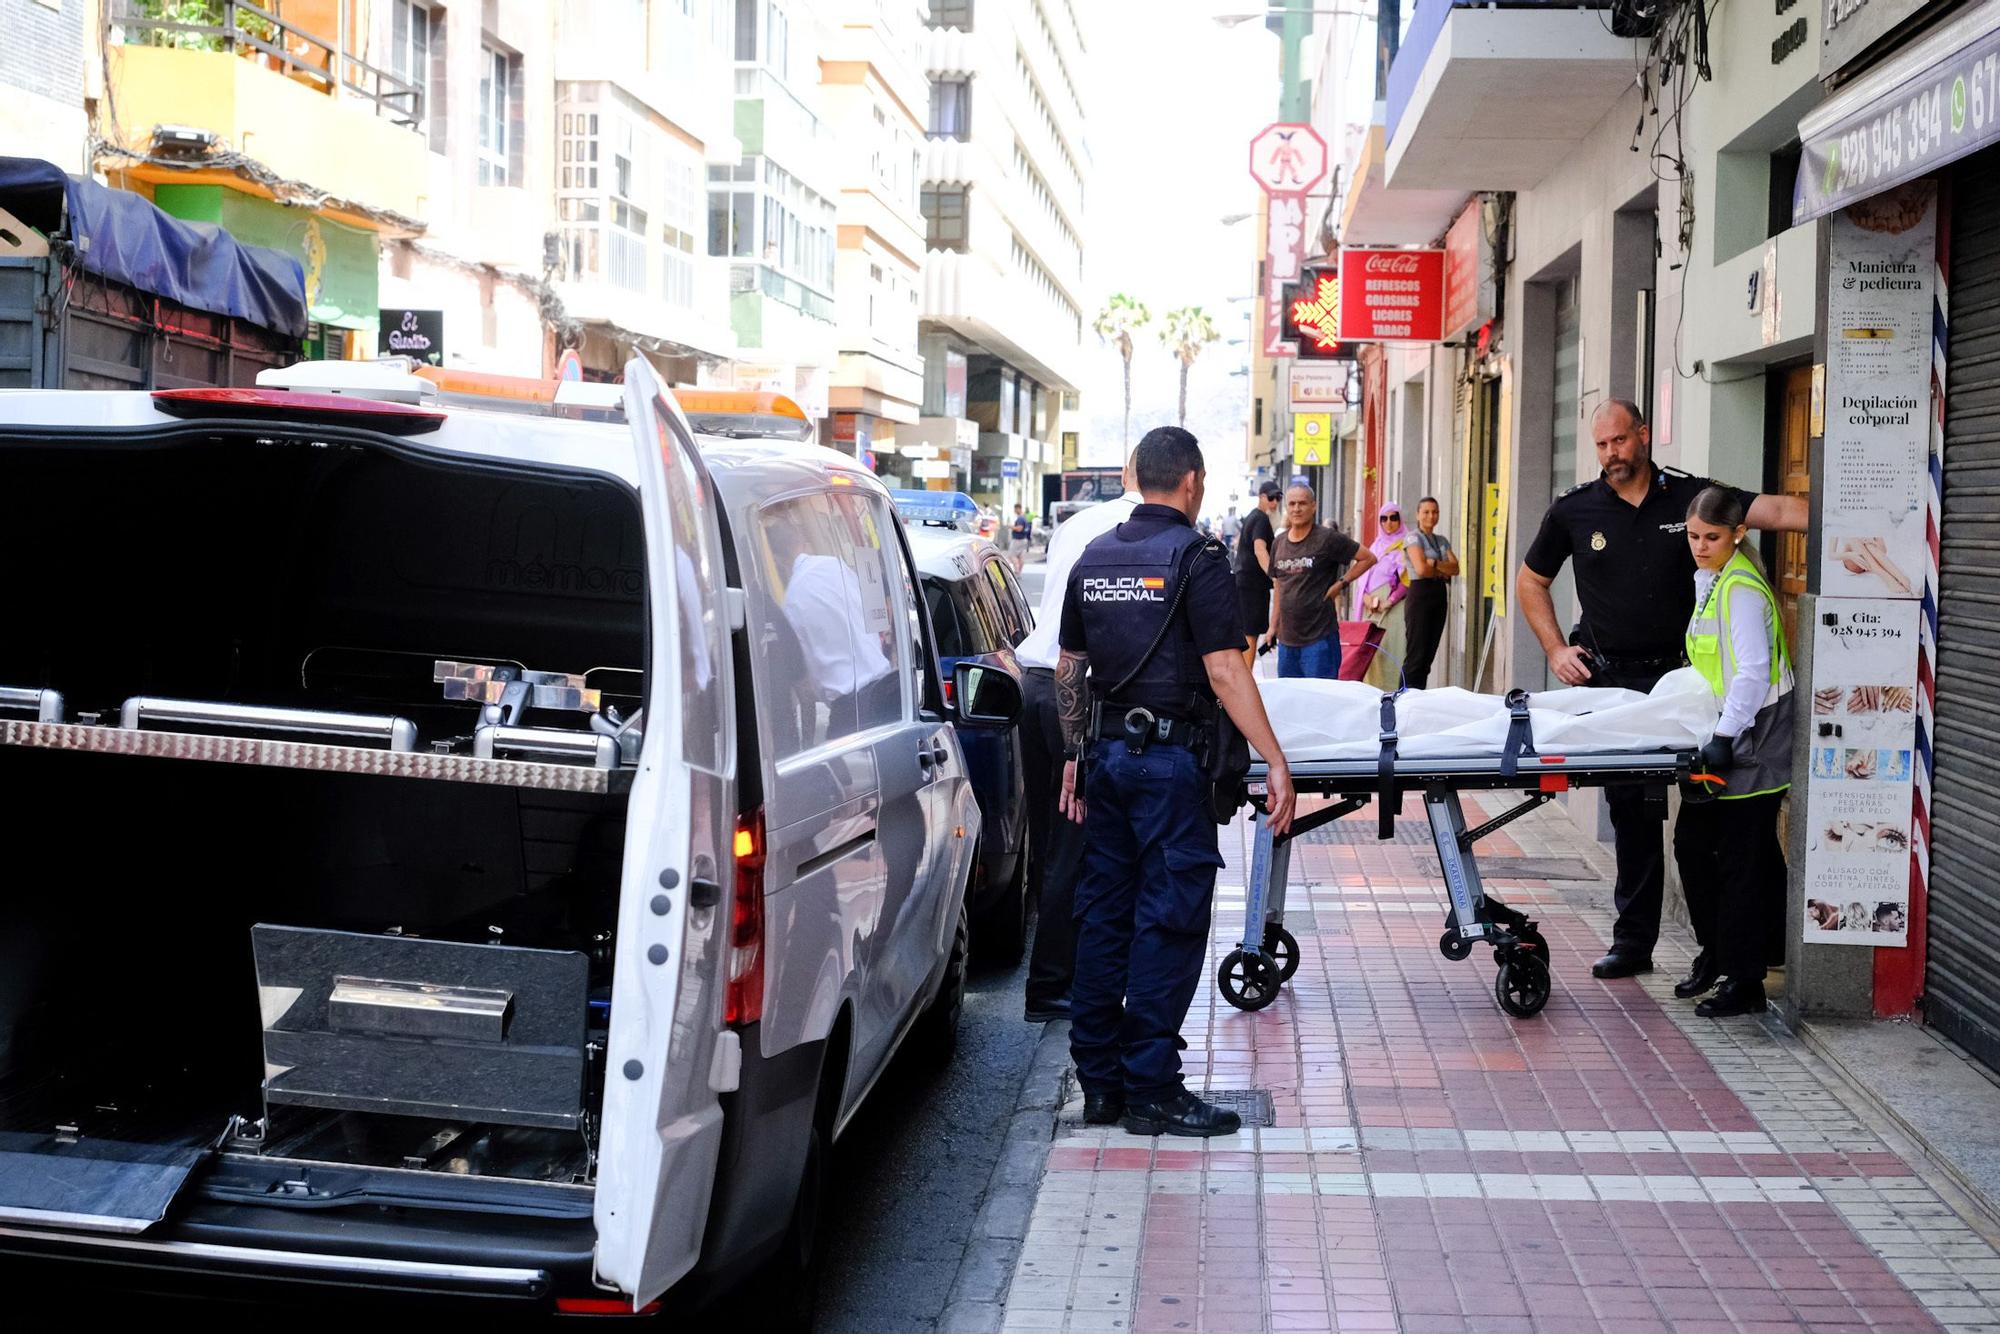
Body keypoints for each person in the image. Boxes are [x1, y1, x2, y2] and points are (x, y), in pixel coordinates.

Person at [1056, 426, 1298, 1136]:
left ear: (1137, 478)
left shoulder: (1093, 558)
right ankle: (1153, 1088)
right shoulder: (1199, 559)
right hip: (1168, 767)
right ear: (1191, 481)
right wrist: (1275, 759)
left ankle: (1100, 1086)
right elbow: (1226, 670)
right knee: (1169, 920)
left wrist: (1076, 755)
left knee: (1104, 917)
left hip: (1105, 762)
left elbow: (1072, 669)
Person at [1515, 399, 1806, 980]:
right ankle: (1634, 941)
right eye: (1600, 445)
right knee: (1632, 813)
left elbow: (1771, 509)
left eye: (1619, 441)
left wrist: (1853, 512)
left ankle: (1721, 949)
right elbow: (1531, 580)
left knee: (1707, 828)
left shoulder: (1690, 497)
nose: (1610, 455)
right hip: (1612, 679)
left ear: (1643, 436)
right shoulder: (1574, 508)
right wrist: (1554, 649)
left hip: (1687, 684)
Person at [1014, 459, 1143, 1024]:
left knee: (1052, 847)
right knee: (1076, 846)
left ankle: (1052, 980)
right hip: (1078, 695)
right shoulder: (1149, 531)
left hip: (1037, 687)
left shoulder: (1078, 522)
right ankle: (1050, 988)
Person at [1670, 486, 1795, 1017]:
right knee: (1699, 848)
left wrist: (1724, 737)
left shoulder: (1741, 587)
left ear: (1738, 534)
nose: (1700, 546)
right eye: (1693, 536)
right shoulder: (1711, 580)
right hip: (1724, 733)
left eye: (1712, 537)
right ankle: (1722, 953)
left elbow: (1750, 672)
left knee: (1738, 860)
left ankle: (1744, 981)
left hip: (1753, 738)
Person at [1267, 482, 1376, 679]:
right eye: (1292, 504)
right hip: (1287, 643)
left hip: (1319, 641)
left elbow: (1368, 558)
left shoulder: (1327, 538)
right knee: (1291, 704)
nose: (1297, 509)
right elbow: (1279, 587)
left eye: (1302, 503)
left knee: (1321, 704)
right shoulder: (1279, 543)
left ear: (1313, 506)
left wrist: (1341, 583)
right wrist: (1272, 628)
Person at [1403, 496, 1459, 689]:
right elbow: (1421, 570)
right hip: (1420, 594)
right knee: (1416, 654)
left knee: (1428, 655)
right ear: (1418, 515)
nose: (1430, 516)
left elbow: (1456, 568)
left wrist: (1434, 563)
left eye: (1434, 512)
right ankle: (1404, 696)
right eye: (1426, 512)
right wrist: (1440, 568)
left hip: (1438, 594)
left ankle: (1419, 695)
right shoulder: (1413, 538)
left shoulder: (1441, 540)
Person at [1355, 501, 1411, 690]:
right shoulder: (1375, 546)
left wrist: (1390, 601)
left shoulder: (1407, 544)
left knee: (1391, 652)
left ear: (1400, 520)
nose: (1389, 523)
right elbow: (1362, 578)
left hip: (1393, 610)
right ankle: (1372, 697)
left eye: (1394, 518)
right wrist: (1366, 598)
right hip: (1371, 610)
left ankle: (1391, 697)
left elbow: (1408, 579)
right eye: (1384, 518)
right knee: (1371, 657)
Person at [1234, 481, 1283, 668]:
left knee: (1248, 632)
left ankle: (1245, 676)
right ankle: (1247, 678)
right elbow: (1259, 549)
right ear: (1261, 497)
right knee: (1250, 633)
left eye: (1277, 498)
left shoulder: (1253, 517)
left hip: (1247, 582)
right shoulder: (1261, 519)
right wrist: (1273, 575)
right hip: (1252, 584)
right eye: (1271, 498)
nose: (1274, 503)